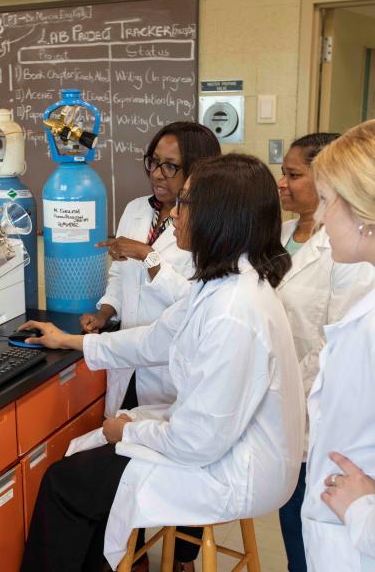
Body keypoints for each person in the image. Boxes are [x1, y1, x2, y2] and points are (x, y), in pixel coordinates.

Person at [19, 154, 305, 572]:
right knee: (83, 472)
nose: (173, 215)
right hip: (215, 447)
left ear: (216, 216)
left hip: (231, 469)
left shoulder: (233, 309)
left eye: (184, 204)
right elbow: (154, 339)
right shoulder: (224, 284)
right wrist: (71, 341)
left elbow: (198, 442)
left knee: (65, 485)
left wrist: (131, 430)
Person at [80, 123, 220, 572]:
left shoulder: (207, 221)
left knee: (181, 462)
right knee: (129, 461)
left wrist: (147, 255)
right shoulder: (138, 209)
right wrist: (104, 310)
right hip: (132, 355)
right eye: (153, 162)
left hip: (174, 365)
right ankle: (133, 555)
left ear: (197, 170)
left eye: (170, 166)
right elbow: (120, 277)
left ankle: (182, 559)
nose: (157, 174)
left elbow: (192, 298)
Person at [276, 133, 375, 572]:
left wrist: (363, 510)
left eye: (330, 201)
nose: (324, 216)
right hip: (339, 519)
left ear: (365, 211)